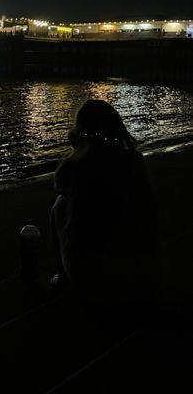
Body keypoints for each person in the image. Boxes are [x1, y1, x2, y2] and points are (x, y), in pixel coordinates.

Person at [50, 98, 162, 310]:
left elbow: (60, 183)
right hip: (147, 277)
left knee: (59, 207)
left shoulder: (80, 166)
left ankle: (64, 279)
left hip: (99, 287)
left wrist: (78, 149)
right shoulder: (134, 161)